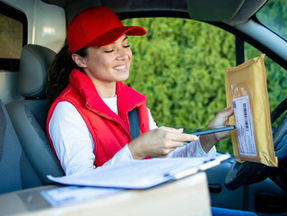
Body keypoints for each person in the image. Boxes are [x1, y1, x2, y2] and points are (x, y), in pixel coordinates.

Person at [46, 6, 256, 216]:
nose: (123, 55)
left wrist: (209, 137)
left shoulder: (133, 102)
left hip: (153, 205)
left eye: (125, 44)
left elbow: (165, 163)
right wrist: (136, 151)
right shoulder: (68, 112)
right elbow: (82, 188)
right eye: (109, 50)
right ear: (80, 59)